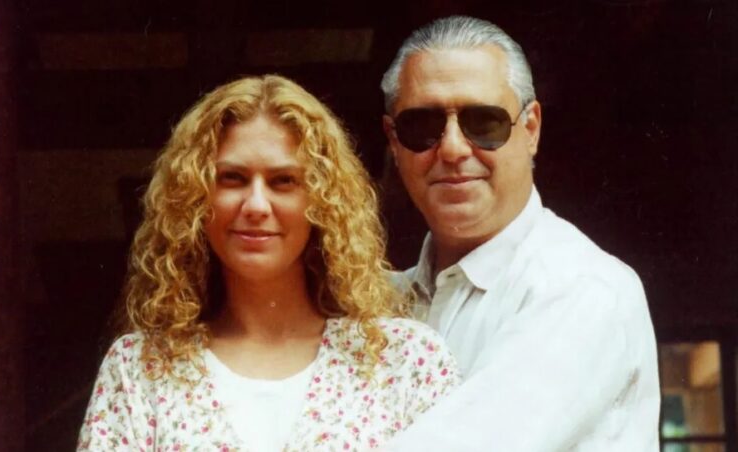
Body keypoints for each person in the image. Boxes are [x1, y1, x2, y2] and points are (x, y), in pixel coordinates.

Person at [77, 75, 459, 451]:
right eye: (232, 178)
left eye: (283, 181)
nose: (256, 206)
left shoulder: (404, 360)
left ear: (323, 200)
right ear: (193, 197)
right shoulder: (141, 368)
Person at [380, 16, 660, 451]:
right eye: (422, 126)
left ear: (530, 129)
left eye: (483, 122)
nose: (452, 148)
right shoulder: (382, 301)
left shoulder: (583, 289)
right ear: (393, 141)